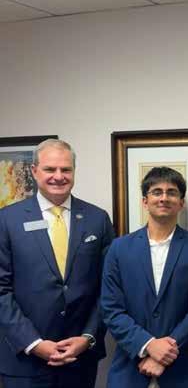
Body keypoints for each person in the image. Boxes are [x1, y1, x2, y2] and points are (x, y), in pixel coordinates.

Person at [0, 138, 114, 387]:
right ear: (34, 171)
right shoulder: (7, 220)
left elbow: (108, 288)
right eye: (50, 169)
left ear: (74, 171)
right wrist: (33, 343)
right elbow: (1, 290)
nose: (59, 176)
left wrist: (88, 337)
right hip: (24, 361)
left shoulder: (97, 219)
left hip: (79, 359)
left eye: (66, 169)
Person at [101, 166, 188, 387]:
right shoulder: (119, 248)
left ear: (181, 203)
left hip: (183, 369)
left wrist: (165, 352)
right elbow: (110, 309)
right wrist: (148, 345)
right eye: (157, 192)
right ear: (145, 201)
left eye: (172, 192)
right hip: (130, 369)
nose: (164, 198)